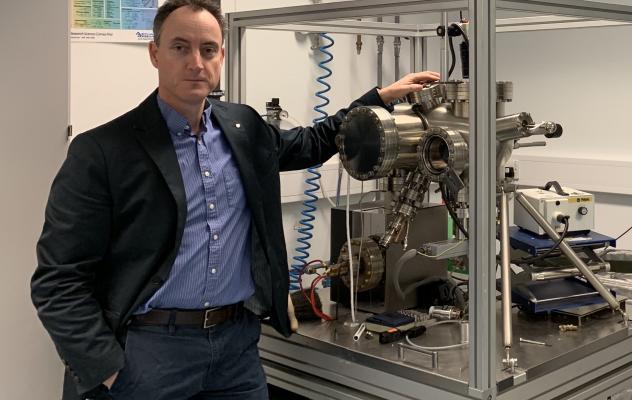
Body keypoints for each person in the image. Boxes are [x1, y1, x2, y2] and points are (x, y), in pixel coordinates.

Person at [30, 1, 439, 399]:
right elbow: (58, 279)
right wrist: (106, 368)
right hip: (149, 352)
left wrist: (379, 99)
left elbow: (312, 143)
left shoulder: (243, 127)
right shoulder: (102, 150)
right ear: (155, 54)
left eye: (208, 49)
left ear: (221, 56)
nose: (196, 61)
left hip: (235, 349)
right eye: (180, 47)